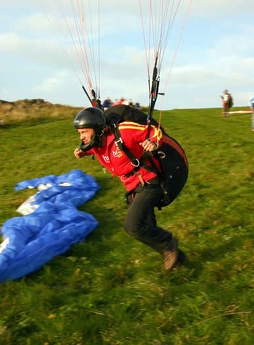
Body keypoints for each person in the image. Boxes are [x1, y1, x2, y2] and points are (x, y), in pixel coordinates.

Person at [73, 107, 186, 270]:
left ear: (98, 129)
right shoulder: (96, 142)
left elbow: (154, 130)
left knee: (132, 226)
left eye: (84, 131)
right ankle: (179, 260)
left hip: (148, 182)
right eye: (80, 133)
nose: (81, 136)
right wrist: (84, 152)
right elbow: (102, 150)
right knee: (147, 228)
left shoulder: (123, 132)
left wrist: (154, 142)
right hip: (133, 187)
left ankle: (168, 244)